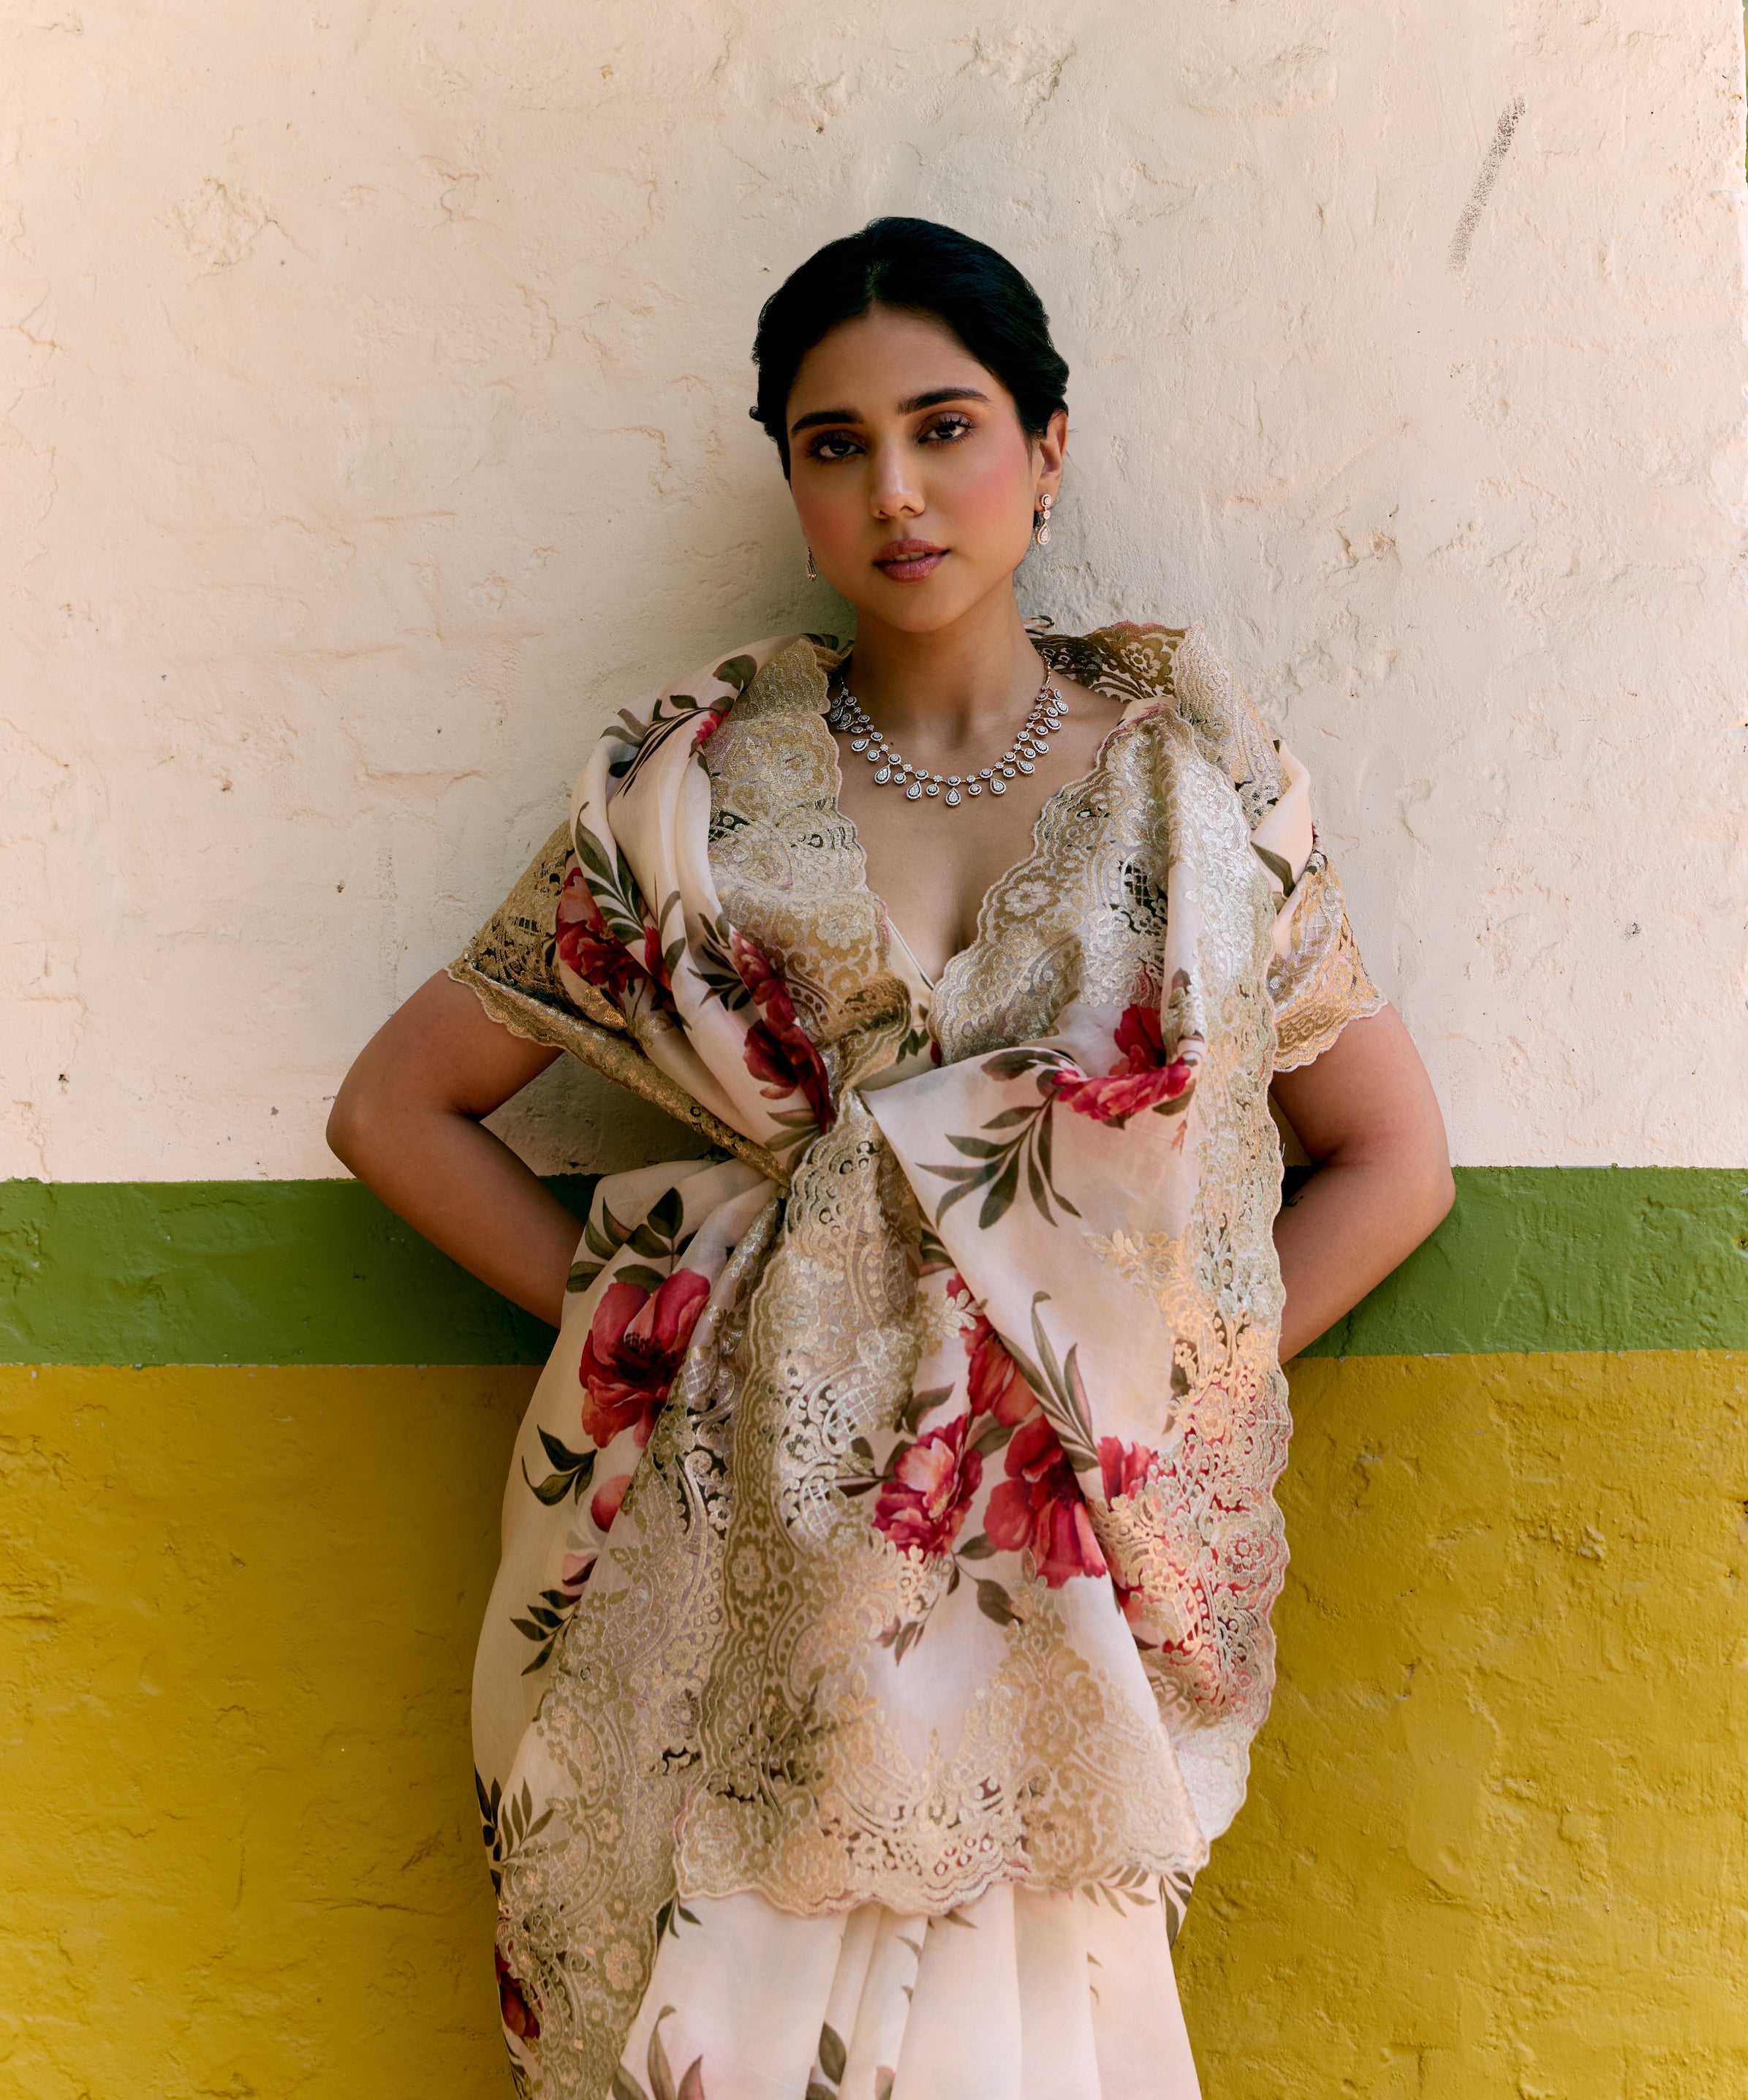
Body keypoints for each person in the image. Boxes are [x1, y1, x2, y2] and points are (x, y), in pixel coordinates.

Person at [328, 216, 1453, 2100]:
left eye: (946, 427)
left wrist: (1134, 1389)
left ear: (1048, 445)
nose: (897, 491)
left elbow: (1394, 1162)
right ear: (791, 479)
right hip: (744, 1566)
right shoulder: (696, 796)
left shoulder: (1194, 788)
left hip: (1050, 1593)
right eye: (834, 444)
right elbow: (394, 1112)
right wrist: (672, 1325)